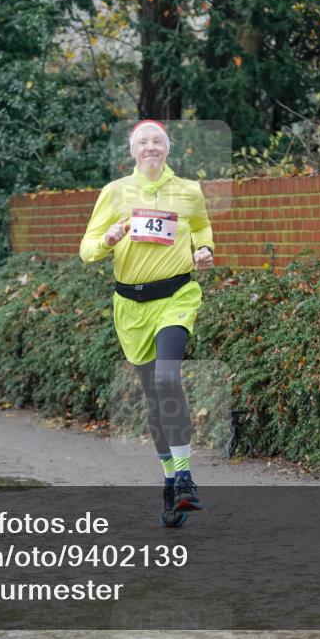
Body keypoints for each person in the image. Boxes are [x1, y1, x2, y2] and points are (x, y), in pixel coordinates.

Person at [80, 120, 215, 527]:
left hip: (176, 297)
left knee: (167, 380)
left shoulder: (188, 191)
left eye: (158, 141)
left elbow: (201, 227)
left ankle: (187, 478)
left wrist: (205, 248)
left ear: (168, 149)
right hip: (131, 307)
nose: (151, 147)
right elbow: (86, 249)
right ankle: (171, 482)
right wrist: (107, 241)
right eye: (143, 141)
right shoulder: (115, 192)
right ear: (132, 151)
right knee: (154, 401)